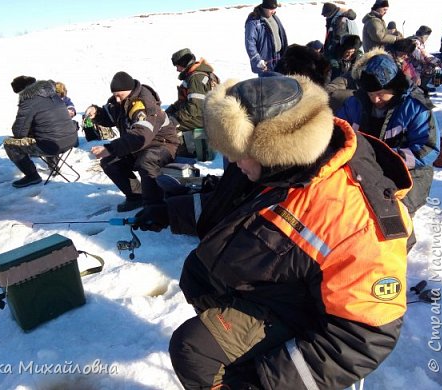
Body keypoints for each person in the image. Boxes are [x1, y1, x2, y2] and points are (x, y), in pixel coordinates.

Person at [133, 75, 413, 389]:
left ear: (273, 146)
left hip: (309, 316)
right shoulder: (277, 165)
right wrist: (170, 210)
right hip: (266, 286)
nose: (234, 161)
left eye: (239, 152)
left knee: (194, 350)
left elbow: (364, 335)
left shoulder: (358, 219)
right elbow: (236, 204)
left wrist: (266, 380)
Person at [337, 50, 440, 214]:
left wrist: (387, 158)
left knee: (391, 213)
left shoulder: (415, 106)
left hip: (406, 172)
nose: (375, 99)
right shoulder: (355, 103)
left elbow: (428, 148)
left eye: (380, 94)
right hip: (363, 169)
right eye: (371, 94)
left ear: (394, 89)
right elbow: (338, 132)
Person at [86, 71, 179, 212]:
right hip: (139, 146)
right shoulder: (122, 101)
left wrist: (110, 148)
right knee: (109, 161)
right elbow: (110, 116)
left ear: (129, 90)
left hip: (163, 144)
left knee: (146, 161)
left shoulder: (144, 104)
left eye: (119, 95)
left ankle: (154, 207)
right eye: (115, 95)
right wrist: (96, 113)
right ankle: (136, 196)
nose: (117, 99)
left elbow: (141, 135)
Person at [3, 76, 78, 188]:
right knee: (47, 132)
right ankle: (54, 166)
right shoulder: (53, 94)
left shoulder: (28, 101)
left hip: (52, 145)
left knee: (9, 144)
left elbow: (18, 132)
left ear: (22, 91)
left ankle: (32, 176)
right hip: (71, 139)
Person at [165, 48, 219, 157]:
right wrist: (166, 113)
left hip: (206, 118)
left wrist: (174, 119)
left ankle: (182, 153)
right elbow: (184, 102)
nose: (177, 70)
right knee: (167, 120)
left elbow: (194, 108)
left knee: (168, 127)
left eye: (177, 66)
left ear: (184, 63)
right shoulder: (198, 74)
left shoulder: (196, 78)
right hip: (206, 115)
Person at [245, 0, 288, 75]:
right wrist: (258, 60)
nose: (273, 11)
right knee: (268, 85)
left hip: (278, 58)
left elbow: (282, 35)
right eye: (271, 9)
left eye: (275, 8)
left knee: (280, 85)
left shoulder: (275, 17)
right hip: (265, 63)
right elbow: (250, 43)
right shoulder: (254, 21)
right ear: (264, 7)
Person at [408, 26, 442, 93]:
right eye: (426, 37)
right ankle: (421, 86)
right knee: (430, 68)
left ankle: (422, 85)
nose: (427, 39)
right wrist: (436, 61)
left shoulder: (418, 41)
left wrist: (436, 60)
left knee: (431, 65)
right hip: (411, 66)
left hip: (414, 64)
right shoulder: (415, 42)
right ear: (423, 36)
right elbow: (421, 56)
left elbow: (425, 53)